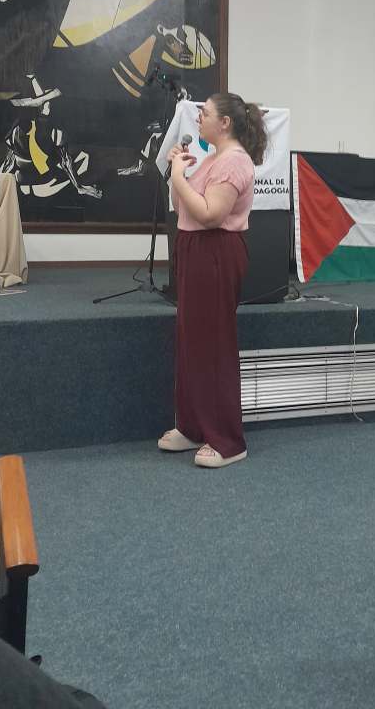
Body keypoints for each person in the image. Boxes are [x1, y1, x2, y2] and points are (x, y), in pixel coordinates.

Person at [159, 92, 267, 468]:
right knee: (191, 342)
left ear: (224, 123)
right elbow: (182, 206)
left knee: (214, 345)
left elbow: (209, 214)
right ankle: (192, 427)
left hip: (216, 253)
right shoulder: (213, 158)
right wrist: (177, 175)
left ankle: (227, 440)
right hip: (196, 251)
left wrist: (178, 176)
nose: (198, 119)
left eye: (204, 114)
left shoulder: (235, 162)